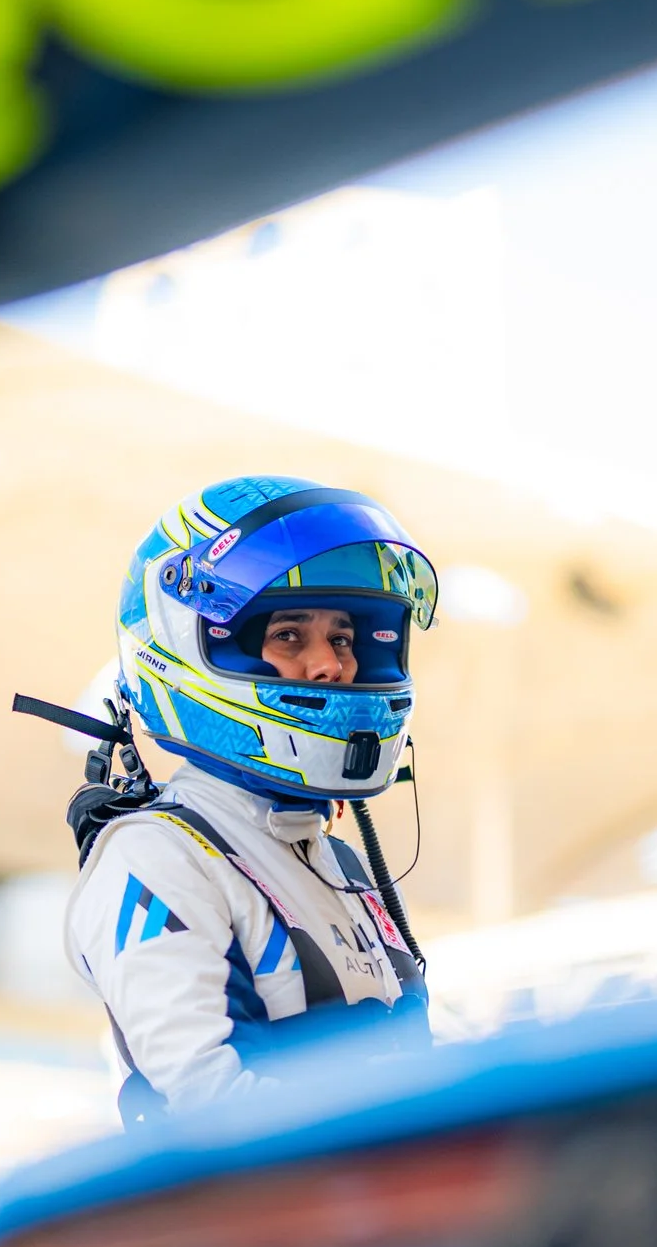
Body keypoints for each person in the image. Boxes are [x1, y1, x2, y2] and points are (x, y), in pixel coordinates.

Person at [58, 476, 437, 1119]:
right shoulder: (157, 858)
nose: (330, 665)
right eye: (289, 636)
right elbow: (210, 1105)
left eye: (342, 638)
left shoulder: (336, 859)